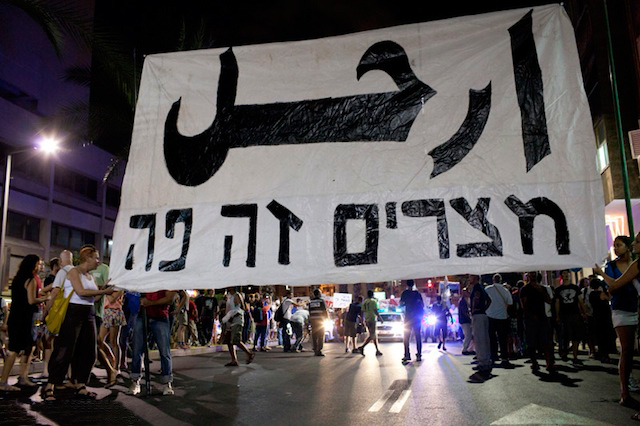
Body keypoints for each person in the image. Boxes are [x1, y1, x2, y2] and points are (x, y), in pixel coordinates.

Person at [43, 246, 115, 401]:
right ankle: (51, 385)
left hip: (89, 312)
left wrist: (104, 289)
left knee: (89, 351)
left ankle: (80, 384)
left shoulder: (91, 276)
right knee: (65, 349)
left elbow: (93, 298)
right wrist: (103, 292)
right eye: (96, 257)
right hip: (73, 312)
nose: (98, 261)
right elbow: (80, 292)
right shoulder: (74, 272)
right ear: (87, 258)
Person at [594, 233, 640, 409]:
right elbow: (612, 287)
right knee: (627, 349)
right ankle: (624, 391)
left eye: (619, 244)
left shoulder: (634, 264)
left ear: (627, 246)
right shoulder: (611, 266)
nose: (615, 248)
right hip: (621, 309)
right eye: (614, 245)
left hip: (636, 307)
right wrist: (602, 276)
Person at [0, 255, 48, 391]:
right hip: (25, 319)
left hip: (15, 317)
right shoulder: (31, 280)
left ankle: (21, 377)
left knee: (24, 347)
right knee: (15, 350)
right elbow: (31, 300)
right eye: (38, 264)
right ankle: (4, 382)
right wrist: (46, 298)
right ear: (33, 265)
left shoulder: (17, 279)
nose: (39, 267)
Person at [128, 289, 177, 396]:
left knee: (164, 351)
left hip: (160, 317)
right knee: (137, 349)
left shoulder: (168, 278)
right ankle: (135, 381)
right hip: (141, 315)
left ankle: (167, 382)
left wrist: (149, 303)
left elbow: (170, 299)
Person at [520, 271, 555, 374]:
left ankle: (549, 362)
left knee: (546, 341)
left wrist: (541, 291)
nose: (532, 276)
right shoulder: (525, 289)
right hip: (530, 319)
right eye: (530, 274)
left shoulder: (542, 288)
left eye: (534, 274)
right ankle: (534, 362)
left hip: (542, 318)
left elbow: (549, 301)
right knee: (531, 342)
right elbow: (524, 305)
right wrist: (531, 315)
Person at [554, 270, 587, 364]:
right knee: (566, 335)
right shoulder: (558, 290)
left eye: (567, 274)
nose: (566, 276)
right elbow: (557, 303)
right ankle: (565, 352)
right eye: (564, 274)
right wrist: (557, 315)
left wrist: (584, 312)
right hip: (564, 314)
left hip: (575, 314)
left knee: (576, 336)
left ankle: (575, 355)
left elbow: (580, 301)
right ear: (561, 276)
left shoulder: (575, 288)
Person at [99, 288, 126, 387]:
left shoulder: (119, 286)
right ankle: (111, 359)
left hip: (115, 312)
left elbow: (112, 299)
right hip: (105, 311)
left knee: (113, 341)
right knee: (99, 340)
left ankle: (116, 366)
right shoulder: (108, 286)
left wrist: (104, 291)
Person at [485, 274, 513, 366]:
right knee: (502, 338)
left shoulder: (488, 289)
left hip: (490, 316)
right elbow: (510, 303)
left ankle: (494, 355)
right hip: (502, 317)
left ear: (493, 280)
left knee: (492, 337)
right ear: (500, 280)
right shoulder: (505, 291)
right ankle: (504, 357)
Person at [222, 290, 255, 366]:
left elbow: (241, 308)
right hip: (229, 320)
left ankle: (249, 353)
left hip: (236, 320)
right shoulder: (229, 296)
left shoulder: (237, 295)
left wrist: (233, 314)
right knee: (229, 341)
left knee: (236, 340)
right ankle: (234, 360)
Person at [469, 275, 492, 382]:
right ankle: (486, 361)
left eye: (471, 277)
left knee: (479, 339)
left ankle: (483, 362)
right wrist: (483, 309)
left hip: (478, 315)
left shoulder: (477, 289)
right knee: (484, 339)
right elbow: (489, 300)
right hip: (482, 314)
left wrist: (474, 310)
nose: (469, 279)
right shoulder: (481, 288)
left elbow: (476, 299)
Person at [589, 278, 616, 363]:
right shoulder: (601, 294)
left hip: (596, 316)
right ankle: (605, 354)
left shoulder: (591, 294)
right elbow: (609, 299)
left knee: (599, 336)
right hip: (604, 317)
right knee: (605, 336)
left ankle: (601, 353)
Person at [400, 280, 424, 362]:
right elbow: (422, 305)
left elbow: (401, 304)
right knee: (418, 336)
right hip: (417, 318)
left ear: (407, 284)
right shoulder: (417, 294)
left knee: (406, 337)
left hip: (408, 318)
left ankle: (407, 355)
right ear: (413, 284)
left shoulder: (405, 293)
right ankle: (419, 355)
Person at [357, 290, 384, 356]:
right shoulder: (373, 301)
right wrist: (380, 318)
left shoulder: (365, 302)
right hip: (372, 319)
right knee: (372, 335)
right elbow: (375, 311)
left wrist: (362, 321)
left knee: (373, 335)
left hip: (367, 319)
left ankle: (377, 350)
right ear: (372, 295)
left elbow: (362, 312)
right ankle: (362, 347)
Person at [308, 289, 329, 356]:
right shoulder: (321, 301)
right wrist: (327, 319)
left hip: (313, 321)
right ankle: (319, 350)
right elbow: (325, 311)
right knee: (321, 335)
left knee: (314, 335)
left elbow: (309, 312)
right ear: (319, 294)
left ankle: (315, 349)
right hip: (320, 321)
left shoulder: (311, 302)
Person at [459, 287, 474, 355]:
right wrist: (470, 318)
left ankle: (470, 349)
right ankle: (465, 349)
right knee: (468, 335)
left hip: (466, 320)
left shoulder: (467, 300)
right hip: (465, 320)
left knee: (470, 335)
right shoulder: (462, 301)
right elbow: (464, 311)